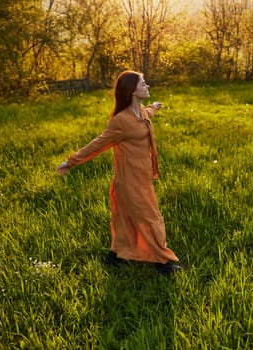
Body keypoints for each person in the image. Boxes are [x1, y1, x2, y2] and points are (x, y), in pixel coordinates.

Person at [57, 70, 181, 274]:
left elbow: (147, 116)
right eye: (143, 84)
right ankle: (163, 263)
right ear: (132, 91)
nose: (147, 86)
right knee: (150, 218)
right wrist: (71, 162)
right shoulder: (120, 121)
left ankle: (116, 256)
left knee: (125, 217)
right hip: (128, 179)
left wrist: (154, 107)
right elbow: (98, 143)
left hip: (142, 176)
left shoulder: (140, 110)